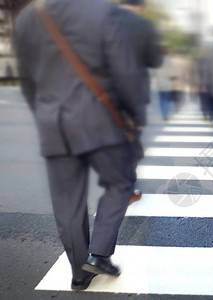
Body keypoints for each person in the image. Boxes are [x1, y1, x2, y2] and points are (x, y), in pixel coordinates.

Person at [14, 0, 148, 290]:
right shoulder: (103, 10)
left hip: (53, 122)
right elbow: (125, 71)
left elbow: (28, 79)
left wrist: (45, 113)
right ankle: (99, 254)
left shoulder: (28, 17)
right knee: (120, 183)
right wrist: (135, 116)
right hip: (100, 119)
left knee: (66, 201)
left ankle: (78, 273)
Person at [120, 0, 163, 203]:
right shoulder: (145, 25)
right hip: (134, 94)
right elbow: (156, 61)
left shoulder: (100, 22)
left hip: (102, 94)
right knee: (131, 142)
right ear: (141, 6)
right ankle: (126, 189)